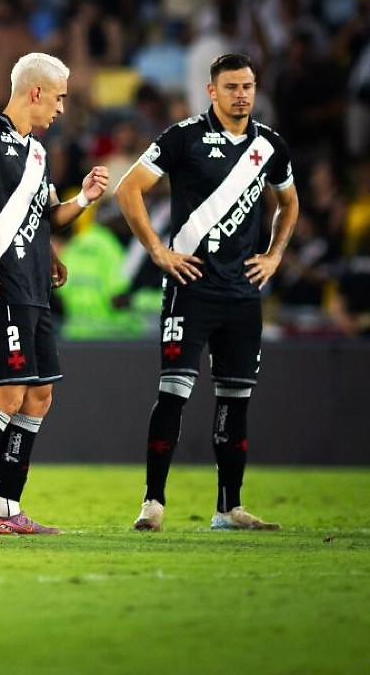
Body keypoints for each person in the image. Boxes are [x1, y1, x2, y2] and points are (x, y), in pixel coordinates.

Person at [114, 52, 298, 532]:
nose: (242, 94)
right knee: (173, 393)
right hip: (189, 286)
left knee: (235, 400)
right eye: (232, 86)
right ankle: (153, 502)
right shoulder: (183, 137)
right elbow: (129, 189)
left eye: (248, 86)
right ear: (212, 91)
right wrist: (158, 251)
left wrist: (275, 254)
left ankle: (228, 508)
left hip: (241, 292)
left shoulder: (269, 146)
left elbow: (289, 202)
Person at [0, 52, 108, 534]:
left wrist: (84, 200)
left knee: (38, 397)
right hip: (0, 285)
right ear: (36, 92)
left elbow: (46, 217)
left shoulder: (36, 152)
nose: (60, 109)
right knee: (6, 394)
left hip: (34, 289)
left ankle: (6, 506)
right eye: (59, 98)